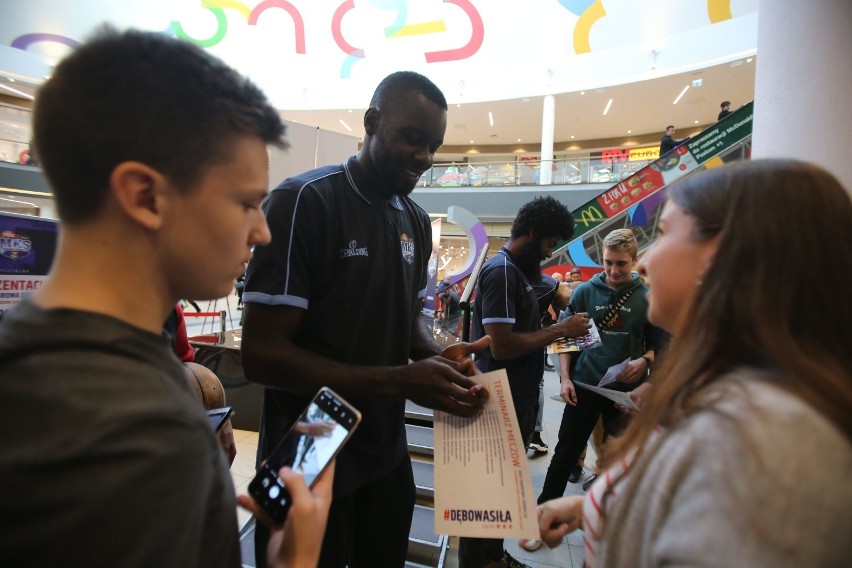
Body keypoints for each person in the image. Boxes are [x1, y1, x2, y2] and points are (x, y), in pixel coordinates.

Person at [0, 27, 332, 568]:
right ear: (145, 196)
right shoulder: (146, 443)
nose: (262, 232)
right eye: (247, 203)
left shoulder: (30, 358)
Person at [529, 160, 852, 567]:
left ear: (720, 259)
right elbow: (670, 500)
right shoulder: (726, 392)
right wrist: (588, 511)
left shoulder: (765, 439)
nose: (644, 264)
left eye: (663, 235)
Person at [240, 71, 491, 568]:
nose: (424, 157)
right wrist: (400, 380)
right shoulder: (303, 201)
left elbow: (408, 322)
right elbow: (261, 356)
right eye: (412, 138)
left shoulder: (416, 221)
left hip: (384, 445)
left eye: (434, 146)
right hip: (309, 443)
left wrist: (442, 358)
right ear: (372, 122)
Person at [459, 196, 591, 568]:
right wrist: (561, 329)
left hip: (514, 396)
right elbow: (503, 347)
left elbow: (514, 334)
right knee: (487, 493)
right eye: (548, 244)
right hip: (497, 397)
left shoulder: (516, 273)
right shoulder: (501, 271)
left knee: (500, 489)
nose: (548, 254)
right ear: (532, 234)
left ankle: (493, 556)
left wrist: (553, 332)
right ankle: (479, 561)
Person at [536, 229, 659, 511]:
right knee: (565, 454)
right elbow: (566, 339)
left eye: (621, 263)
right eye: (608, 262)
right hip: (584, 387)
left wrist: (646, 361)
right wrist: (566, 379)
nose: (614, 270)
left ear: (634, 261)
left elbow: (658, 343)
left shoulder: (647, 297)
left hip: (625, 395)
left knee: (618, 460)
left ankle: (605, 521)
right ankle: (544, 514)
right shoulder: (584, 292)